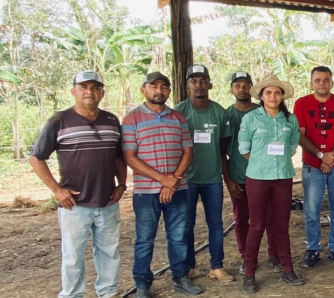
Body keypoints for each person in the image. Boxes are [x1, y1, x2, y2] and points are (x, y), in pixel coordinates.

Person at [29, 71, 125, 298]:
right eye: (83, 87)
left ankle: (108, 293)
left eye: (94, 87)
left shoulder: (111, 120)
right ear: (74, 91)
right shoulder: (59, 121)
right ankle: (72, 295)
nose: (89, 92)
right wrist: (57, 190)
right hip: (75, 205)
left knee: (109, 253)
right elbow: (36, 157)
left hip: (108, 202)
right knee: (73, 257)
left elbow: (119, 157)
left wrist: (121, 185)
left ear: (102, 92)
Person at [122, 72, 202, 297]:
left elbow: (188, 151)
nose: (159, 91)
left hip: (178, 189)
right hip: (146, 193)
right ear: (143, 90)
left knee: (178, 236)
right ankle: (143, 285)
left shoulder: (178, 118)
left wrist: (172, 181)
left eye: (164, 87)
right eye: (154, 86)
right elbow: (130, 157)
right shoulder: (132, 119)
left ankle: (180, 277)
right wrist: (163, 180)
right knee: (145, 239)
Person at [238, 74, 305, 293]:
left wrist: (277, 161)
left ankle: (287, 269)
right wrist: (262, 162)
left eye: (277, 92)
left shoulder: (290, 119)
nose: (273, 96)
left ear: (282, 96)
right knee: (256, 225)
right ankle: (249, 273)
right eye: (268, 92)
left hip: (283, 178)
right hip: (258, 178)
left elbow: (294, 144)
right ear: (261, 96)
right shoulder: (251, 118)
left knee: (281, 226)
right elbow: (244, 149)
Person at [174, 64, 233, 282]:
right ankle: (189, 267)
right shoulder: (179, 112)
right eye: (193, 81)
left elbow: (222, 147)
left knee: (216, 224)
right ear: (187, 85)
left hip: (212, 180)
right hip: (186, 180)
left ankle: (216, 267)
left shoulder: (219, 112)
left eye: (202, 81)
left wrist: (225, 178)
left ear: (209, 84)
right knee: (186, 224)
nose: (199, 85)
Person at [223, 71, 282, 275]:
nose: (242, 89)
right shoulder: (227, 115)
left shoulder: (264, 111)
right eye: (237, 85)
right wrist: (228, 180)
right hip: (238, 176)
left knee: (270, 217)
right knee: (242, 219)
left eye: (246, 85)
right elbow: (223, 151)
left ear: (253, 89)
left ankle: (274, 254)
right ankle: (246, 257)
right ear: (231, 90)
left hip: (265, 176)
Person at [294, 66, 334, 266]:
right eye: (318, 80)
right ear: (311, 83)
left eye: (326, 80)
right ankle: (313, 249)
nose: (322, 83)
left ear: (331, 82)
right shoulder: (301, 104)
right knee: (312, 210)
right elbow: (300, 135)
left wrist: (332, 155)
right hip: (312, 164)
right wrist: (321, 156)